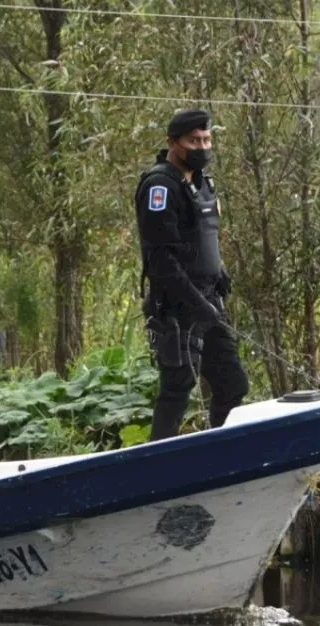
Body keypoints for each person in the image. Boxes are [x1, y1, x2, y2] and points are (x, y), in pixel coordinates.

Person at [135, 108, 250, 441]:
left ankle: (220, 454)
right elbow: (161, 259)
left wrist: (220, 273)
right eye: (193, 141)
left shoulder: (202, 183)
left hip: (209, 301)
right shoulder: (161, 187)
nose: (202, 147)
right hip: (177, 307)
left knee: (232, 384)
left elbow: (202, 238)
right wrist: (194, 302)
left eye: (207, 139)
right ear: (173, 143)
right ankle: (157, 473)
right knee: (178, 388)